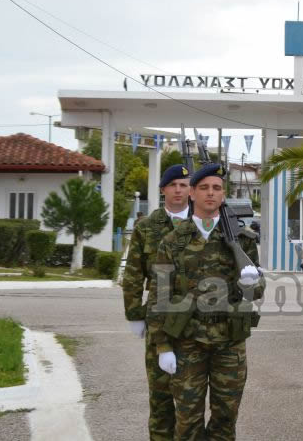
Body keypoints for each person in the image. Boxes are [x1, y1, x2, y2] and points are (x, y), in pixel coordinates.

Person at [147, 162, 264, 441]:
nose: (210, 193)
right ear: (192, 194)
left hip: (230, 343)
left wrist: (251, 284)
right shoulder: (173, 240)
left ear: (223, 195)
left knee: (226, 419)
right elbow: (158, 297)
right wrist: (163, 347)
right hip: (188, 343)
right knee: (187, 422)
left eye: (216, 188)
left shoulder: (241, 239)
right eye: (204, 188)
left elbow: (256, 291)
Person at [121, 163, 191, 441]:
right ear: (163, 190)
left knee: (191, 401)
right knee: (161, 396)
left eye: (183, 185)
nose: (178, 190)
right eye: (172, 185)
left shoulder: (201, 224)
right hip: (158, 318)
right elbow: (133, 273)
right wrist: (134, 314)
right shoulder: (147, 227)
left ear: (190, 190)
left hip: (193, 321)